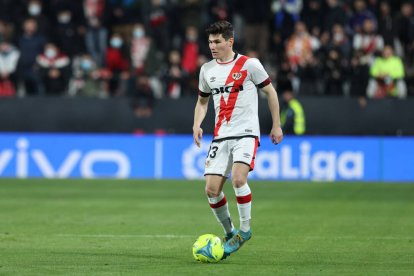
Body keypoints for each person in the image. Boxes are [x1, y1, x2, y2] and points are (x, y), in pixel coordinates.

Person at [192, 21, 284, 259]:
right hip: (220, 136)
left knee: (239, 178)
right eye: (210, 42)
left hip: (245, 133)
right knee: (211, 190)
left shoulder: (249, 64)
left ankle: (244, 230)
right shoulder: (207, 70)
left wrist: (276, 124)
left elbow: (270, 92)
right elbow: (202, 101)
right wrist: (197, 124)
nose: (212, 46)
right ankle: (229, 231)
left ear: (229, 41)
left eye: (217, 41)